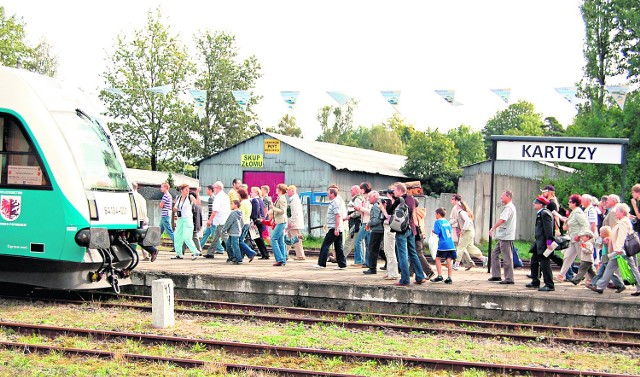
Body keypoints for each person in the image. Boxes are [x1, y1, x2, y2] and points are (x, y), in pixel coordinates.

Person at [590, 203, 640, 296]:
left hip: (622, 250)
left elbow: (622, 235)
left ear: (622, 212)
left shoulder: (623, 222)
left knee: (632, 268)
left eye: (617, 211)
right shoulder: (623, 221)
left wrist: (618, 248)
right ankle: (600, 287)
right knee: (610, 267)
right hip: (620, 250)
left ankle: (639, 287)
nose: (615, 213)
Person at [392, 182, 426, 286]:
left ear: (400, 190)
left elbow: (390, 212)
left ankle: (405, 279)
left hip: (401, 230)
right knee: (413, 253)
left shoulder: (399, 200)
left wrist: (390, 201)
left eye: (394, 190)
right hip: (411, 229)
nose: (393, 192)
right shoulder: (411, 199)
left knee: (402, 255)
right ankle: (420, 276)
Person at [555, 194, 590, 282]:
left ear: (575, 203)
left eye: (570, 202)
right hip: (573, 239)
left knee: (584, 259)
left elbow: (585, 224)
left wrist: (580, 235)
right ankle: (561, 275)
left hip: (578, 239)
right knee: (567, 257)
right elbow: (573, 223)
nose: (568, 203)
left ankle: (590, 278)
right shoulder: (574, 212)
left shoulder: (577, 212)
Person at [526, 196, 555, 291]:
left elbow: (548, 229)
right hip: (539, 242)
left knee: (544, 263)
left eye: (536, 202)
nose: (534, 203)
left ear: (541, 204)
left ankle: (549, 285)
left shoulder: (544, 214)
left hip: (543, 243)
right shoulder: (541, 213)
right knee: (534, 261)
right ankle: (535, 281)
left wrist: (549, 242)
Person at [451, 194, 487, 270]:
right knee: (470, 247)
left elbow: (466, 221)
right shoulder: (461, 211)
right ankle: (483, 258)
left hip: (467, 232)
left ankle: (456, 264)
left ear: (457, 202)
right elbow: (456, 220)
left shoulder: (461, 211)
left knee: (460, 247)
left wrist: (463, 230)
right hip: (470, 231)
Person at [314, 187, 347, 269]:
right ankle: (342, 264)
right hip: (337, 227)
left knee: (325, 245)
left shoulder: (335, 202)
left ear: (332, 194)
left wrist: (336, 228)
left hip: (334, 228)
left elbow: (338, 215)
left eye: (328, 193)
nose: (327, 194)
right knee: (338, 247)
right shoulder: (334, 202)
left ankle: (321, 264)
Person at [488, 191, 517, 284]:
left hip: (506, 237)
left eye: (502, 196)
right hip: (503, 236)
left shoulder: (509, 208)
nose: (501, 198)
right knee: (494, 254)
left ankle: (509, 278)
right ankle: (496, 275)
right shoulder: (508, 207)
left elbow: (503, 220)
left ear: (508, 196)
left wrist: (493, 228)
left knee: (507, 257)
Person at [171, 183, 201, 260]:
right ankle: (179, 254)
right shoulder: (178, 198)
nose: (188, 191)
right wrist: (175, 209)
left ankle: (195, 252)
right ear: (181, 190)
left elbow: (198, 203)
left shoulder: (190, 197)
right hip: (180, 219)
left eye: (188, 189)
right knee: (177, 237)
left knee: (186, 237)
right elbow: (175, 207)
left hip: (187, 219)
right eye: (186, 189)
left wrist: (197, 194)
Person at [131, 182, 158, 262]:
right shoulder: (141, 197)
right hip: (142, 219)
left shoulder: (131, 196)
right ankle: (151, 251)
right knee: (136, 238)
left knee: (134, 238)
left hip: (135, 219)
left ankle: (152, 250)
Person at [204, 181, 230, 258]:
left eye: (214, 187)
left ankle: (233, 253)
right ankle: (210, 252)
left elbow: (215, 210)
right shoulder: (225, 195)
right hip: (223, 219)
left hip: (220, 220)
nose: (213, 189)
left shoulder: (218, 197)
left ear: (217, 188)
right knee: (215, 237)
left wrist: (210, 220)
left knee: (225, 237)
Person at [430, 208, 456, 284]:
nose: (435, 215)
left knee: (437, 258)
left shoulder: (437, 222)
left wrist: (433, 231)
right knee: (449, 260)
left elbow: (437, 232)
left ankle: (440, 276)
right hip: (450, 244)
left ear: (438, 214)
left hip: (443, 244)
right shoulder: (447, 222)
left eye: (435, 214)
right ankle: (449, 277)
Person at [380, 189, 400, 280]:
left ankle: (393, 273)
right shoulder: (393, 202)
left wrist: (382, 208)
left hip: (390, 227)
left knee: (390, 250)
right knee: (387, 250)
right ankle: (390, 271)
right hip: (387, 227)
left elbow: (388, 216)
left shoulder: (394, 203)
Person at [363, 191, 384, 275]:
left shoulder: (375, 206)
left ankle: (372, 268)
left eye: (370, 197)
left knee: (372, 249)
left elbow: (377, 219)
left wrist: (369, 223)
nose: (368, 199)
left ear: (375, 197)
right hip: (381, 229)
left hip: (377, 230)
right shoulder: (379, 204)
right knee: (381, 249)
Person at [344, 185, 365, 266]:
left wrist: (349, 216)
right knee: (359, 242)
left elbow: (358, 212)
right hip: (357, 223)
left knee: (351, 240)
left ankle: (342, 257)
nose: (350, 192)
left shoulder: (357, 199)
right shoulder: (360, 198)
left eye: (351, 190)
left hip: (355, 223)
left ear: (356, 190)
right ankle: (360, 260)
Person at [269, 183, 289, 266]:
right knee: (281, 242)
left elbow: (282, 211)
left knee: (273, 239)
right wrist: (273, 219)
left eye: (277, 188)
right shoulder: (280, 198)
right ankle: (283, 260)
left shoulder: (282, 199)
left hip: (281, 221)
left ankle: (280, 259)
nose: (276, 190)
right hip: (280, 221)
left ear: (280, 190)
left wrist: (272, 207)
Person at [221, 199, 244, 264]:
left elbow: (229, 222)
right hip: (236, 232)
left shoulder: (233, 213)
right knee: (228, 244)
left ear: (236, 205)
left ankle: (239, 259)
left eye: (232, 204)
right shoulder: (240, 213)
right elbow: (242, 223)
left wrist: (224, 230)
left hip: (233, 232)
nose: (231, 205)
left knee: (234, 245)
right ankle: (232, 257)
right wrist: (240, 229)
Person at [287, 185, 306, 260]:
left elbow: (295, 212)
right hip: (293, 222)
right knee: (288, 238)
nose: (287, 192)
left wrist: (292, 221)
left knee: (295, 239)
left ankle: (300, 255)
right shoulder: (294, 199)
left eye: (288, 190)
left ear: (292, 190)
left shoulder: (294, 200)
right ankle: (285, 254)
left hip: (294, 223)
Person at [250, 186, 270, 259]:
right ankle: (264, 254)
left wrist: (253, 221)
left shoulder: (255, 200)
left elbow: (255, 212)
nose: (250, 193)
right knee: (259, 239)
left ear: (256, 192)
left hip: (257, 222)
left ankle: (265, 254)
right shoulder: (260, 200)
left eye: (252, 192)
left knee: (258, 239)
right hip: (260, 221)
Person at [237, 188, 256, 262]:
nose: (237, 196)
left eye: (238, 194)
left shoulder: (242, 203)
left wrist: (239, 225)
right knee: (241, 240)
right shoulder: (248, 202)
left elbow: (241, 215)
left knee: (239, 241)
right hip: (247, 222)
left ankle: (251, 253)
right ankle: (242, 256)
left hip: (243, 223)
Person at [183, 187, 203, 257]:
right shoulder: (198, 206)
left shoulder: (193, 205)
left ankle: (198, 250)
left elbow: (194, 216)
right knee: (190, 237)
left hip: (193, 223)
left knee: (189, 237)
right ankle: (198, 250)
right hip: (196, 223)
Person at [200, 185, 216, 249]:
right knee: (206, 233)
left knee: (214, 235)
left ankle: (220, 248)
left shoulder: (211, 199)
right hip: (212, 219)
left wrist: (209, 219)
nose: (206, 191)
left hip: (212, 220)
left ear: (210, 190)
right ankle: (200, 246)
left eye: (207, 190)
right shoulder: (213, 198)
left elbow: (211, 210)